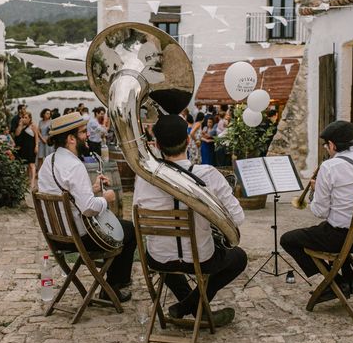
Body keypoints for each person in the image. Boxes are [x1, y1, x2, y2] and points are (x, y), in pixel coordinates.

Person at [133, 114, 247, 327]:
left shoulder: (143, 178)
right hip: (201, 258)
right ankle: (192, 306)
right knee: (238, 257)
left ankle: (186, 305)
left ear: (157, 144)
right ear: (188, 140)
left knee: (167, 257)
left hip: (158, 258)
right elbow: (238, 217)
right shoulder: (208, 174)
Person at [280, 120, 353, 302]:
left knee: (289, 239)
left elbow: (320, 211)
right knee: (330, 227)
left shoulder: (330, 167)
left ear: (332, 144)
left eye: (326, 146)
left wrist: (315, 190)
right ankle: (349, 279)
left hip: (343, 239)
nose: (327, 150)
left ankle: (335, 282)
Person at [38, 112, 135, 302]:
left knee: (120, 229)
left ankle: (111, 285)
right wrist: (106, 198)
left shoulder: (48, 163)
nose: (87, 135)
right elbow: (88, 209)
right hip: (80, 237)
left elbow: (67, 196)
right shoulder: (75, 166)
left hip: (57, 237)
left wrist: (92, 189)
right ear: (71, 139)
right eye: (83, 132)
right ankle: (113, 287)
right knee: (129, 230)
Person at [14, 111, 39, 190]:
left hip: (31, 147)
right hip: (24, 148)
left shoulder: (33, 126)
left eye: (26, 118)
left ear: (30, 118)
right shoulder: (22, 126)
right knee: (27, 165)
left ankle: (32, 182)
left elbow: (36, 137)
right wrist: (20, 124)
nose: (24, 119)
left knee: (32, 165)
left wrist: (36, 146)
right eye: (23, 117)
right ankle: (27, 181)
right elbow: (17, 134)